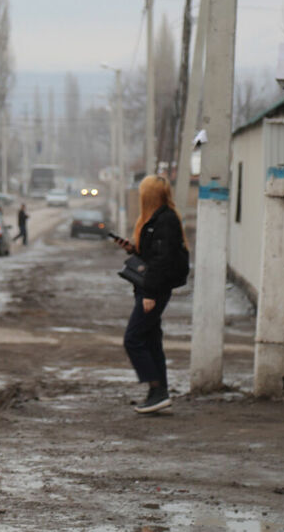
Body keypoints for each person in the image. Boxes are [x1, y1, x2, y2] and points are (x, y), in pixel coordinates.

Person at [115, 174, 187, 414]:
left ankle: (157, 389)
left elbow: (162, 261)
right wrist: (133, 248)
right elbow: (153, 254)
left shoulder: (165, 220)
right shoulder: (158, 219)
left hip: (153, 290)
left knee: (133, 339)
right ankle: (158, 393)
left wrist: (149, 294)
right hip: (150, 288)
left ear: (150, 195)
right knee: (151, 340)